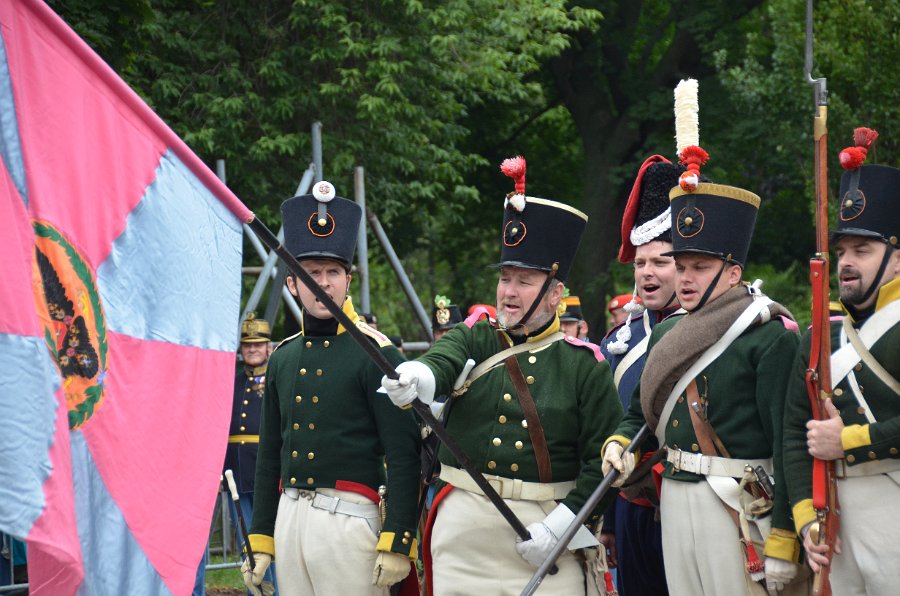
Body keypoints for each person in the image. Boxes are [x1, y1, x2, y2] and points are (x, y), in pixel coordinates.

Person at [382, 156, 624, 594]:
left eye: (524, 281)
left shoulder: (584, 366)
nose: (509, 292)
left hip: (546, 533)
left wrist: (562, 527)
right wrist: (416, 376)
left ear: (555, 294)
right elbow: (443, 359)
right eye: (505, 278)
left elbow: (602, 466)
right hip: (463, 536)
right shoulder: (478, 335)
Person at [601, 129, 803, 595]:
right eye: (682, 266)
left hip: (737, 502)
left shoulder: (768, 336)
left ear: (733, 273)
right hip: (673, 498)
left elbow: (787, 444)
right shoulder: (666, 333)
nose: (686, 279)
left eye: (700, 267)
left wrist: (784, 534)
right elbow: (639, 414)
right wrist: (619, 442)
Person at [242, 181, 421, 595]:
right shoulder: (283, 357)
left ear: (348, 279)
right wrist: (261, 536)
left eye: (332, 273)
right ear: (292, 284)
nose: (323, 283)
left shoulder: (377, 354)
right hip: (290, 520)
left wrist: (398, 539)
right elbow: (270, 455)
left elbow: (404, 454)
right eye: (311, 273)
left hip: (350, 524)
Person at [783, 127, 900, 595]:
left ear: (897, 258)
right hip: (833, 519)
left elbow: (828, 439)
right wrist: (805, 519)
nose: (846, 262)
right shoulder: (820, 333)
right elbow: (794, 432)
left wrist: (848, 440)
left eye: (862, 250)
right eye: (842, 251)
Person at [597, 155, 688, 596]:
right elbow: (611, 428)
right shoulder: (619, 341)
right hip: (632, 505)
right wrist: (610, 522)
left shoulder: (711, 330)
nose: (647, 272)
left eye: (661, 261)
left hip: (689, 500)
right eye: (640, 263)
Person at [224, 312, 277, 594]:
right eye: (248, 345)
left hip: (267, 472)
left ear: (269, 347)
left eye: (258, 344)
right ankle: (254, 591)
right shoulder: (232, 382)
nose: (253, 349)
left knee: (269, 541)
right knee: (247, 540)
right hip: (236, 472)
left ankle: (275, 590)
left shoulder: (276, 380)